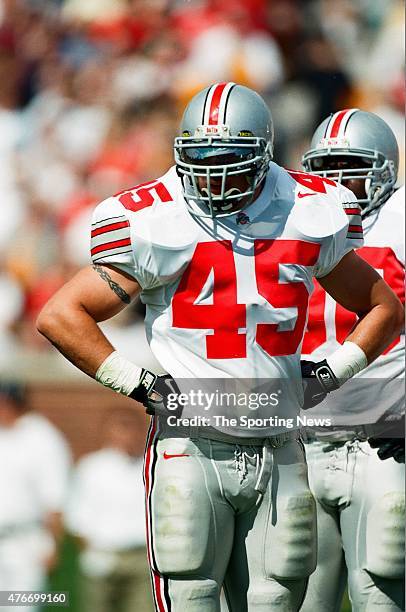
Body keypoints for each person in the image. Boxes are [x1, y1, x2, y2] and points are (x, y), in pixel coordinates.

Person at [36, 83, 404, 612]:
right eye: (201, 158)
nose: (214, 174)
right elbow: (61, 316)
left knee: (279, 598)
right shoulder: (155, 216)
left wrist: (329, 374)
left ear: (263, 152)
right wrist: (140, 385)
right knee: (191, 591)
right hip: (192, 437)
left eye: (229, 159)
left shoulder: (308, 208)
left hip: (279, 442)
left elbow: (384, 308)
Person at [300, 108, 405, 612]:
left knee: (380, 591)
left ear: (385, 168)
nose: (337, 180)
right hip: (301, 439)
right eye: (326, 166)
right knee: (289, 594)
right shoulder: (290, 217)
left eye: (351, 164)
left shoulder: (400, 220)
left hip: (383, 440)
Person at [65, 408, 154, 612]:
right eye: (121, 428)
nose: (127, 435)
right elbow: (77, 516)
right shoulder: (91, 468)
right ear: (108, 431)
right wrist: (92, 548)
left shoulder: (149, 466)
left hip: (140, 558)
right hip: (103, 555)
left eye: (132, 428)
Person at [0, 382, 72, 612]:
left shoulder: (40, 436)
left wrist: (52, 543)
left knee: (19, 606)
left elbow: (55, 495)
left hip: (24, 541)